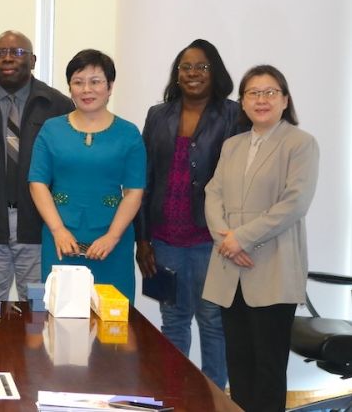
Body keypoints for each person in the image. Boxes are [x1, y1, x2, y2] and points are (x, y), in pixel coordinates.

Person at [203, 65, 319, 412]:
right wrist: (226, 241)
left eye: (270, 92)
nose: (261, 100)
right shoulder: (232, 145)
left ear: (285, 100)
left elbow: (295, 203)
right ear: (242, 102)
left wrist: (241, 239)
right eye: (253, 93)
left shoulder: (300, 144)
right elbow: (213, 194)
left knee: (268, 367)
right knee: (238, 364)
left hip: (272, 267)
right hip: (230, 268)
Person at [134, 39, 240, 389]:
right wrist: (142, 239)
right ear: (177, 74)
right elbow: (144, 179)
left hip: (212, 239)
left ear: (215, 72)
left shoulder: (233, 114)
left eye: (201, 67)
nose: (193, 73)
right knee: (173, 319)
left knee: (213, 321)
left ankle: (213, 398)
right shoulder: (158, 115)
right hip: (164, 239)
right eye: (186, 67)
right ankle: (175, 395)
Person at [0, 30, 72, 301]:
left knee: (40, 310)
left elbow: (67, 172)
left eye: (17, 52)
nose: (8, 58)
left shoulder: (58, 107)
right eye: (1, 53)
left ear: (33, 60)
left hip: (39, 228)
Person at [28, 49, 145, 302]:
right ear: (70, 88)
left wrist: (112, 237)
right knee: (61, 313)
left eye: (95, 82)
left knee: (113, 318)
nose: (86, 90)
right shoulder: (51, 129)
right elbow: (37, 183)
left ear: (110, 86)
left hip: (112, 241)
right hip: (61, 239)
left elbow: (134, 191)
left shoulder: (129, 133)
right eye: (78, 82)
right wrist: (58, 230)